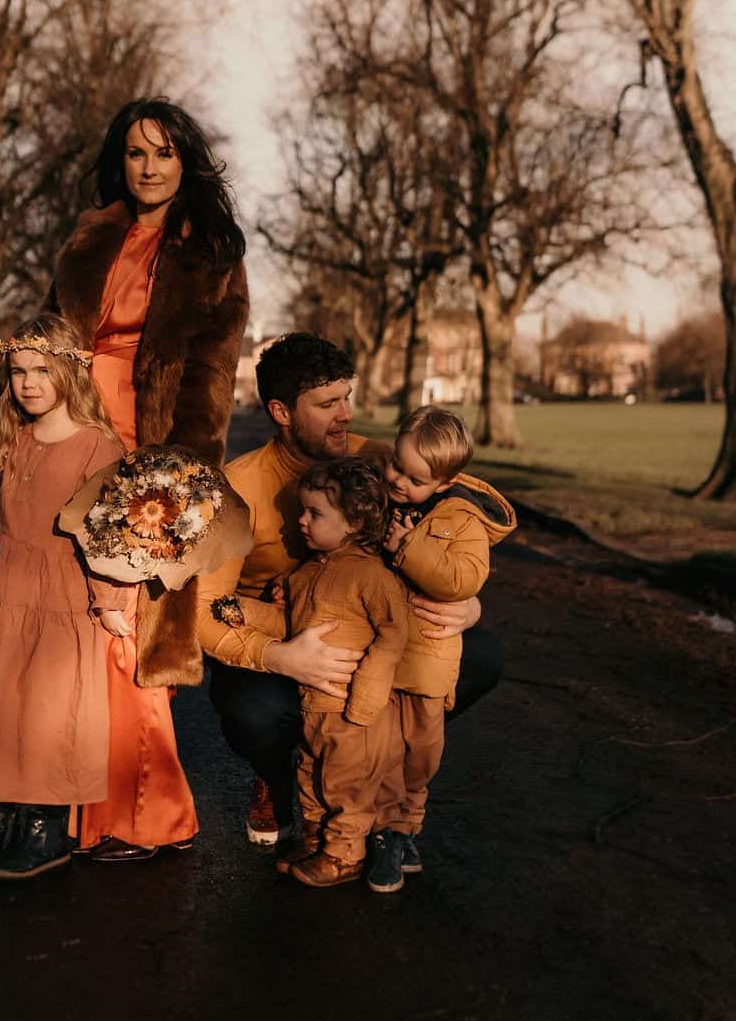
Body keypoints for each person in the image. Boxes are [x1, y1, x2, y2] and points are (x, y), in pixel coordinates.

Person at [195, 333, 502, 845]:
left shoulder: (384, 466)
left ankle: (382, 773)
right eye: (327, 403)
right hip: (284, 638)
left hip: (368, 635)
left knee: (484, 656)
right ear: (281, 410)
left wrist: (468, 604)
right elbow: (204, 610)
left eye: (347, 398)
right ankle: (275, 777)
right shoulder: (237, 488)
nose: (345, 415)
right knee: (254, 713)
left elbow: (456, 539)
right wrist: (279, 656)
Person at [43, 97, 249, 860]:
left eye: (163, 152)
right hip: (70, 443)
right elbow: (48, 344)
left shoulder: (211, 252)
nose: (149, 166)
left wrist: (178, 480)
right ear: (119, 161)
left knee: (127, 634)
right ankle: (76, 808)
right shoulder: (90, 239)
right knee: (72, 633)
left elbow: (211, 379)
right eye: (135, 152)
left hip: (148, 456)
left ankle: (145, 812)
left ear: (185, 160)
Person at [0, 313, 135, 880]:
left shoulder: (97, 446)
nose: (28, 383)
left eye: (42, 371)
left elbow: (104, 535)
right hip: (5, 587)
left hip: (62, 596)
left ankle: (43, 829)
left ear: (70, 373)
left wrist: (110, 603)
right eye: (18, 371)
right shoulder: (13, 438)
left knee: (49, 712)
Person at [364, 405, 516, 892]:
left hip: (429, 660)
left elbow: (463, 579)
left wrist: (407, 548)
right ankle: (383, 833)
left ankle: (407, 827)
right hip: (382, 655)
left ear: (446, 483)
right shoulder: (378, 499)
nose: (398, 481)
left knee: (420, 751)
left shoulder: (462, 520)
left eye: (415, 478)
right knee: (380, 745)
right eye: (395, 465)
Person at [240, 458, 411, 888]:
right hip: (313, 704)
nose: (301, 521)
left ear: (354, 522)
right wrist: (250, 609)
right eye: (302, 510)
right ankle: (316, 839)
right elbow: (291, 625)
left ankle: (344, 853)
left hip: (352, 708)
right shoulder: (307, 571)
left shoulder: (370, 576)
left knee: (345, 785)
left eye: (315, 513)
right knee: (312, 773)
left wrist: (368, 693)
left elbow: (394, 634)